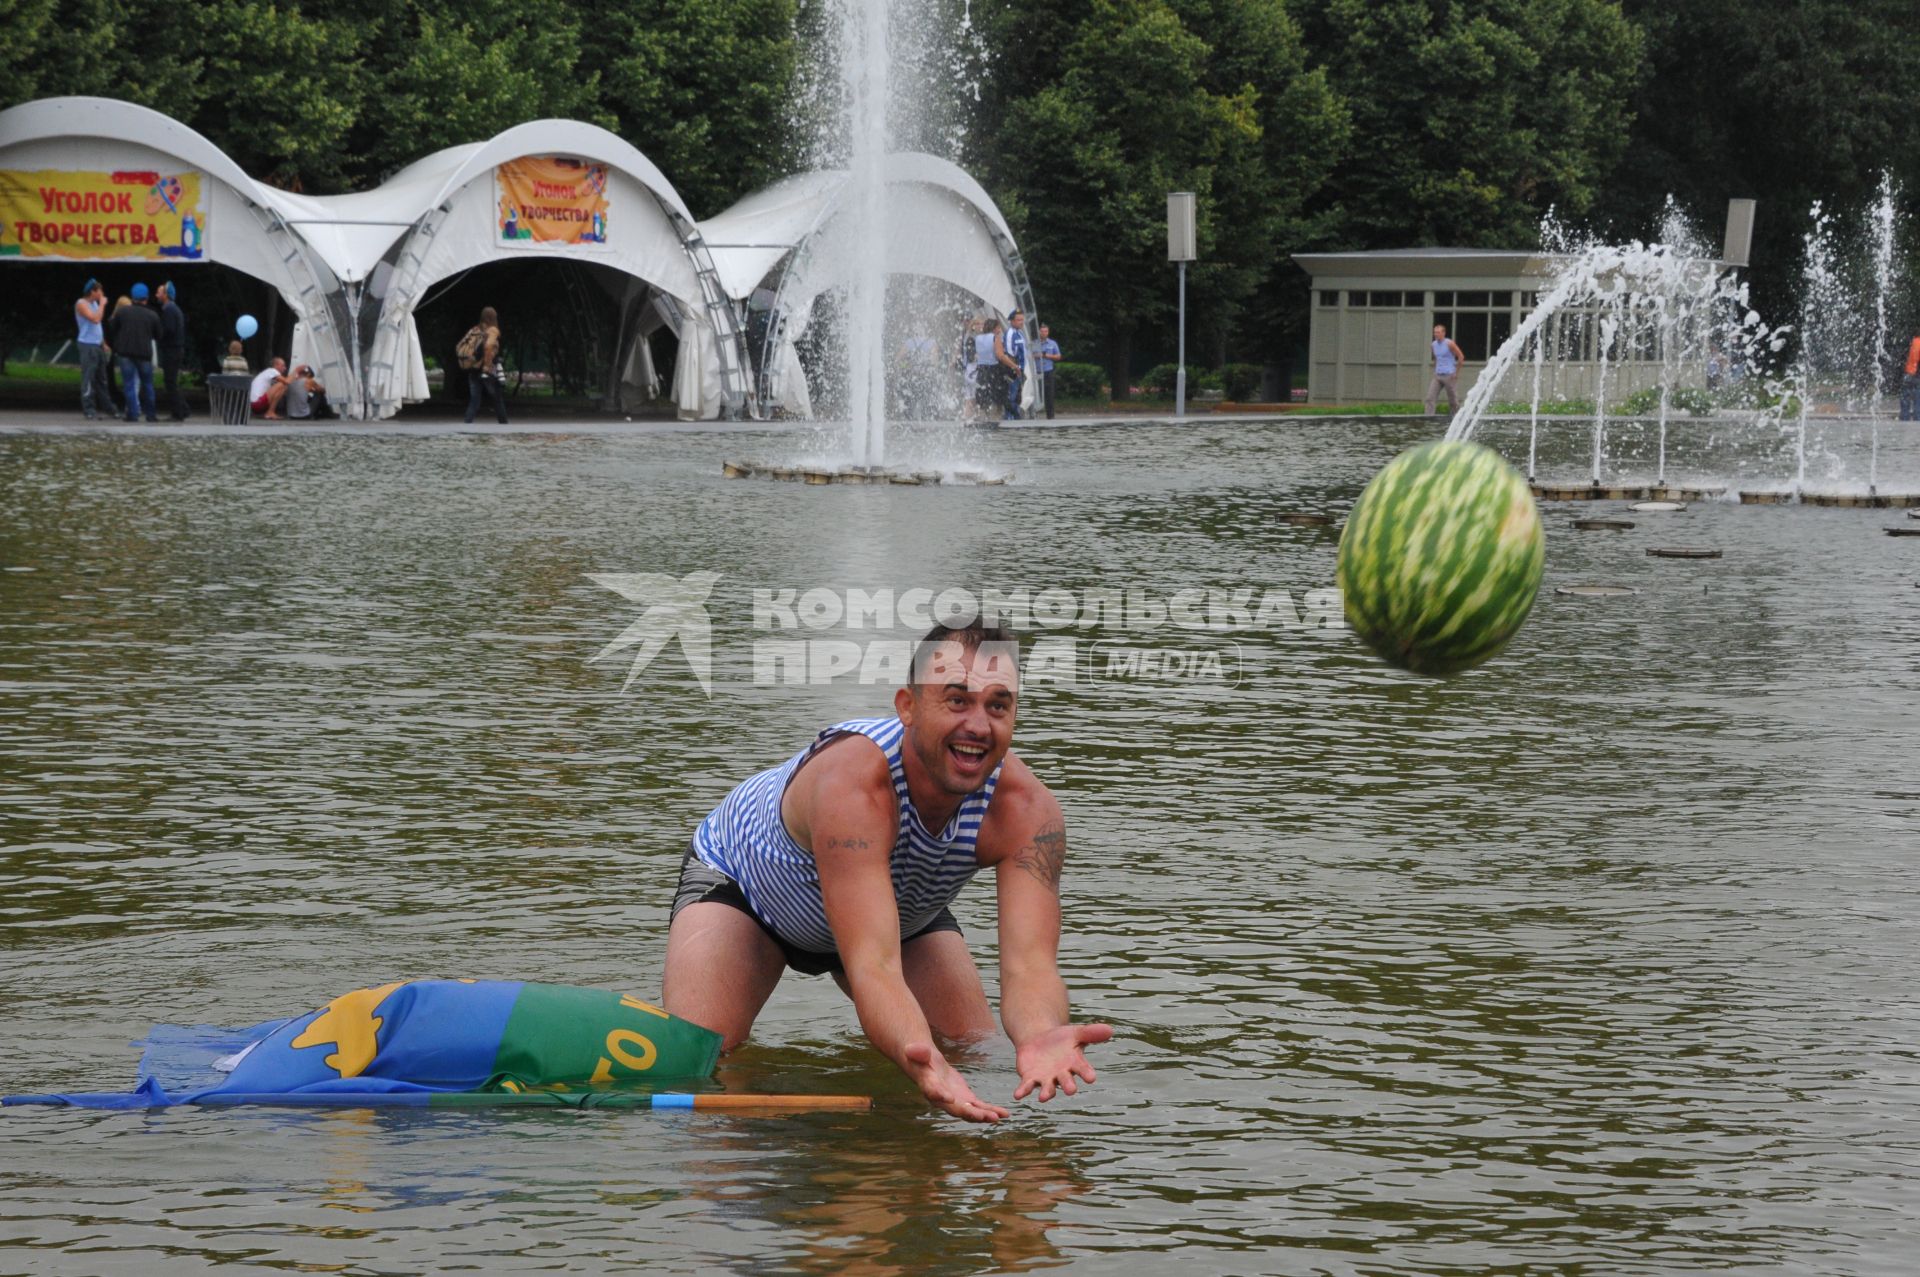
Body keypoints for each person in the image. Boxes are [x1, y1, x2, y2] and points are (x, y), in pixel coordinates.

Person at [663, 621, 1111, 1123]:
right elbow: (873, 965)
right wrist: (917, 1051)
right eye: (957, 700)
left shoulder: (1028, 812)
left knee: (969, 1052)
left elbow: (1030, 966)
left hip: (897, 907)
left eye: (998, 705)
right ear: (908, 707)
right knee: (696, 1064)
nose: (979, 726)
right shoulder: (854, 786)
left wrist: (1040, 1033)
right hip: (748, 893)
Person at [105, 282, 162, 423]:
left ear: (133, 297)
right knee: (148, 384)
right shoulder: (152, 315)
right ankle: (151, 415)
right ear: (146, 298)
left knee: (129, 384)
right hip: (144, 354)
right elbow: (158, 335)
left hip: (125, 353)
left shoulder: (122, 312)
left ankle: (132, 414)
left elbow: (112, 328)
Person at [73, 279, 115, 420]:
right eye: (100, 291)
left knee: (102, 379)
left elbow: (98, 327)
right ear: (92, 291)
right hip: (87, 345)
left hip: (97, 344)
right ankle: (89, 408)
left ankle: (108, 407)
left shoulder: (95, 304)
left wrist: (103, 343)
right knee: (89, 378)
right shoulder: (81, 304)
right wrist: (102, 305)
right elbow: (95, 319)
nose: (102, 294)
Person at [463, 306, 508, 425]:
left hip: (473, 368)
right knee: (497, 399)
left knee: (474, 401)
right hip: (487, 369)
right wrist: (487, 366)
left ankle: (466, 425)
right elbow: (488, 346)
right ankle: (505, 427)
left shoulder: (476, 329)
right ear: (493, 317)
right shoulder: (492, 330)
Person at [154, 282, 189, 421]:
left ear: (166, 295)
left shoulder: (169, 310)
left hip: (172, 350)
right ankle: (183, 408)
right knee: (172, 381)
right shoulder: (174, 309)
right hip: (176, 349)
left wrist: (158, 335)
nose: (157, 295)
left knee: (170, 382)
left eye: (159, 292)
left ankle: (178, 412)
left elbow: (169, 330)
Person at [1424, 323, 1465, 416]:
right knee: (1430, 398)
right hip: (1438, 375)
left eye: (1438, 332)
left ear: (1443, 333)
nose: (1436, 334)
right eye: (1435, 332)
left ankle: (1456, 418)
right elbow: (1436, 358)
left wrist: (1456, 373)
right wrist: (1435, 370)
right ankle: (1428, 418)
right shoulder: (1433, 345)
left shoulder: (1449, 343)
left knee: (1453, 400)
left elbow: (1461, 357)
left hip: (1449, 375)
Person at [972, 318, 1004, 423]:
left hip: (981, 369)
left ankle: (984, 416)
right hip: (993, 368)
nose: (999, 330)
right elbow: (1000, 356)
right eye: (998, 327)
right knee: (995, 393)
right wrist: (1014, 366)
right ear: (994, 328)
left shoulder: (978, 338)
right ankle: (995, 418)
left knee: (982, 392)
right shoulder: (995, 338)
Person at [1002, 309, 1028, 420]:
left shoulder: (1020, 333)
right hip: (1013, 370)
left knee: (1017, 398)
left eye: (1022, 320)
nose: (1021, 322)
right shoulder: (1010, 334)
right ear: (1012, 321)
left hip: (1020, 370)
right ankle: (1009, 420)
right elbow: (1008, 354)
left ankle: (1015, 420)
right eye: (1018, 320)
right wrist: (1015, 369)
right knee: (1011, 398)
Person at [1033, 323, 1062, 420]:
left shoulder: (1052, 343)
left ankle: (1050, 416)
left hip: (1048, 371)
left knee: (1049, 394)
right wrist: (1036, 355)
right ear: (1039, 332)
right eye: (1042, 331)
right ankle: (1034, 414)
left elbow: (1058, 356)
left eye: (1046, 331)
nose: (1044, 333)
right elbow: (1029, 355)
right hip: (1037, 372)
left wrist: (1047, 356)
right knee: (1036, 393)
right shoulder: (1034, 343)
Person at [1901, 334, 1920, 422]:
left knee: (1905, 399)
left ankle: (1904, 421)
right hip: (1917, 375)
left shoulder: (1913, 341)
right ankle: (1917, 422)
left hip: (1908, 373)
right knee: (1918, 401)